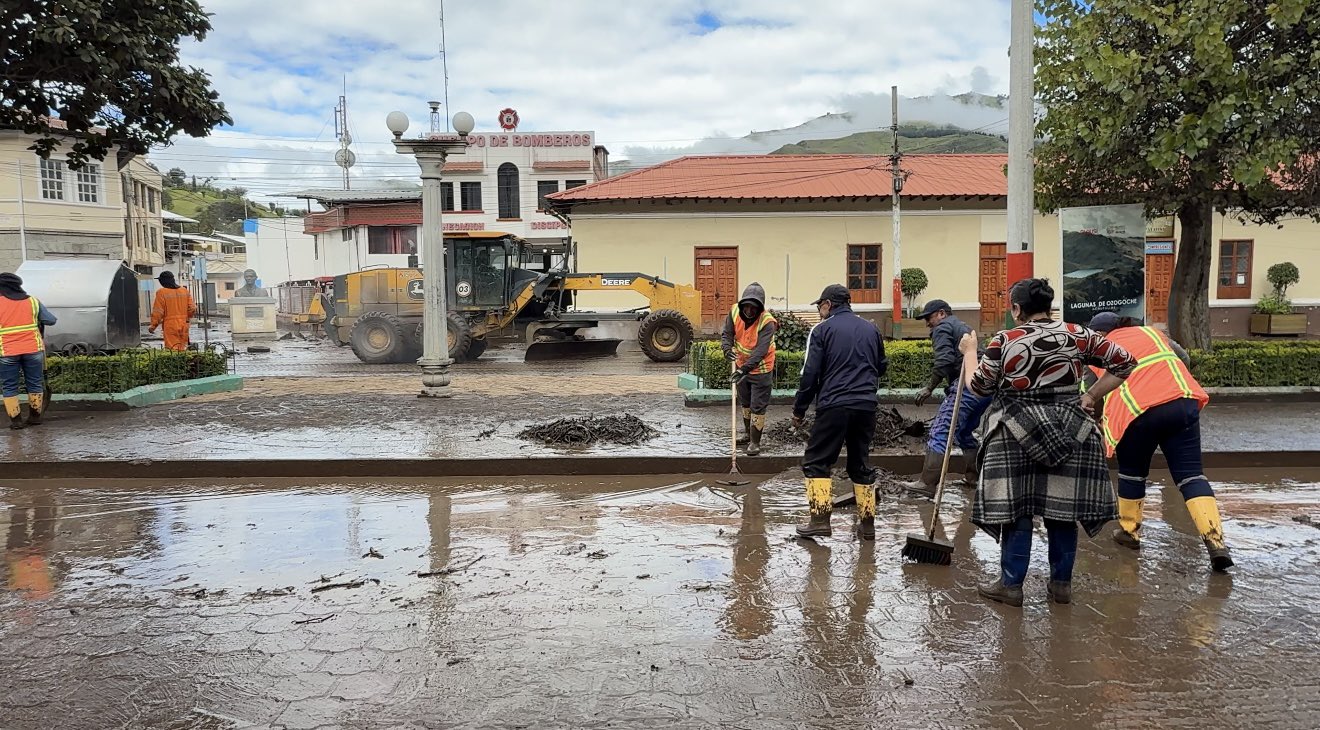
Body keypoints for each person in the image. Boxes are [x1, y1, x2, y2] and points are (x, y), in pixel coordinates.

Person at [960, 278, 1137, 607]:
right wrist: (1091, 394)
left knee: (1017, 510)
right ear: (1048, 306)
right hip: (1071, 428)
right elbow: (1126, 363)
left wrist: (970, 353)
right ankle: (1061, 587)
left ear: (1016, 309)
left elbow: (979, 387)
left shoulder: (1005, 340)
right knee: (1063, 510)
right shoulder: (1079, 334)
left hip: (1014, 430)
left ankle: (1011, 586)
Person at [1087, 312, 1233, 571]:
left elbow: (1092, 395)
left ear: (1101, 332)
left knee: (1133, 475)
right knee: (1192, 476)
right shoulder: (1153, 333)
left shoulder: (1102, 349)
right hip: (1182, 401)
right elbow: (1184, 357)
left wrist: (1098, 422)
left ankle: (1130, 533)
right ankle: (1215, 541)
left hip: (1138, 413)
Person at [792, 284, 888, 540]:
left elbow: (810, 374)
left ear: (828, 305)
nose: (819, 311)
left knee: (816, 462)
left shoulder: (822, 330)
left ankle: (820, 521)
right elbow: (881, 367)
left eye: (820, 306)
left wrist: (799, 409)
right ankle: (867, 526)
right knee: (860, 464)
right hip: (866, 405)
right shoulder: (871, 328)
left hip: (834, 405)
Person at [907, 299, 993, 495]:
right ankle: (974, 477)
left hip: (965, 386)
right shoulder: (964, 326)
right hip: (983, 386)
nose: (927, 323)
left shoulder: (943, 327)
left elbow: (944, 360)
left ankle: (927, 484)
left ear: (941, 314)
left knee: (939, 432)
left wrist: (929, 388)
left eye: (928, 318)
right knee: (963, 433)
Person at [720, 283, 778, 456]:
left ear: (760, 308)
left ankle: (755, 442)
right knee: (745, 402)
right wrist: (726, 349)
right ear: (742, 304)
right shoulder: (734, 312)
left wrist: (743, 370)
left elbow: (761, 351)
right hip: (741, 366)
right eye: (747, 307)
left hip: (761, 369)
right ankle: (747, 434)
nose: (750, 311)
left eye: (754, 308)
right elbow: (727, 334)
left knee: (757, 406)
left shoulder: (767, 322)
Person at [0, 272, 57, 429]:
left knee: (10, 386)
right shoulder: (32, 301)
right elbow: (51, 320)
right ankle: (35, 417)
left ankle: (16, 421)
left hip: (7, 351)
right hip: (33, 349)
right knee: (34, 383)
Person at [150, 270, 197, 351]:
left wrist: (153, 326)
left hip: (170, 325)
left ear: (163, 281)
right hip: (184, 324)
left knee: (172, 350)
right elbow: (192, 308)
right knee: (182, 349)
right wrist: (187, 318)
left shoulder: (161, 292)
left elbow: (158, 311)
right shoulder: (184, 291)